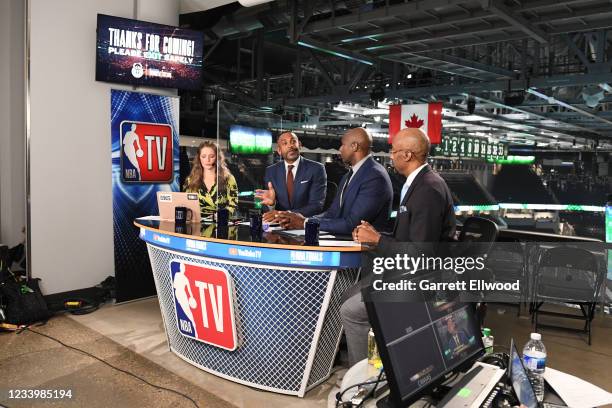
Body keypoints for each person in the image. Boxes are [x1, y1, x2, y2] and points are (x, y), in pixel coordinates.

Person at [341, 128, 456, 366]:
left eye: (393, 152)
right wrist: (374, 236)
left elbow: (421, 254)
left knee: (351, 311)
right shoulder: (418, 183)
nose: (390, 157)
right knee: (346, 294)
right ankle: (376, 359)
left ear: (407, 155)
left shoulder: (428, 190)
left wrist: (378, 241)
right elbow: (406, 238)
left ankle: (359, 380)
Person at [276, 127, 393, 235]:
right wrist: (304, 219)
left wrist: (305, 223)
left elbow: (353, 224)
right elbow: (332, 213)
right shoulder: (348, 175)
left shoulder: (374, 176)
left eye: (342, 145)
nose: (340, 149)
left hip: (365, 253)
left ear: (354, 147)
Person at [255, 132, 327, 221]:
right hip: (278, 225)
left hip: (303, 225)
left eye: (293, 142)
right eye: (285, 143)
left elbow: (316, 205)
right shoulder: (271, 171)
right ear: (279, 150)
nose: (290, 146)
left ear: (299, 145)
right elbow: (267, 207)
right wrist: (271, 205)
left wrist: (284, 215)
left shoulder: (316, 168)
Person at [184, 141, 238, 218]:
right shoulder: (191, 180)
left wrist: (219, 216)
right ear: (199, 158)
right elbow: (185, 204)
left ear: (218, 158)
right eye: (203, 156)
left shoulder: (228, 179)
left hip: (221, 224)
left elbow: (233, 206)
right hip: (197, 224)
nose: (207, 160)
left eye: (212, 156)